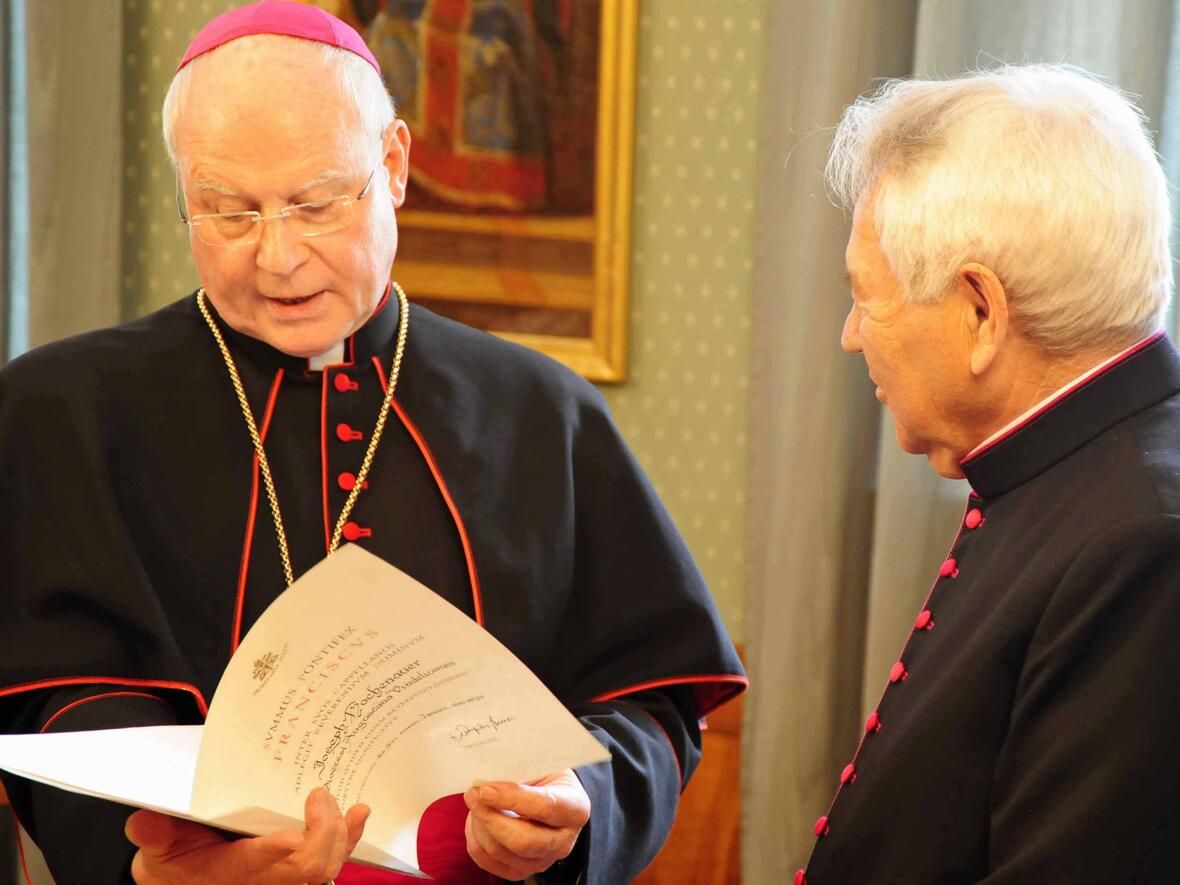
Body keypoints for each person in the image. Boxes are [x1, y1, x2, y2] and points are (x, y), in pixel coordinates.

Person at [0, 3, 745, 883]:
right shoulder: (66, 408)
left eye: (316, 203)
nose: (276, 257)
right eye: (228, 212)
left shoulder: (542, 411)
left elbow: (651, 697)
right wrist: (150, 861)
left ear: (392, 166)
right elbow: (47, 693)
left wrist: (579, 804)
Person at [795, 64, 1180, 884]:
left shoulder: (1146, 547)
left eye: (869, 297)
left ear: (981, 311)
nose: (851, 335)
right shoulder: (1074, 468)